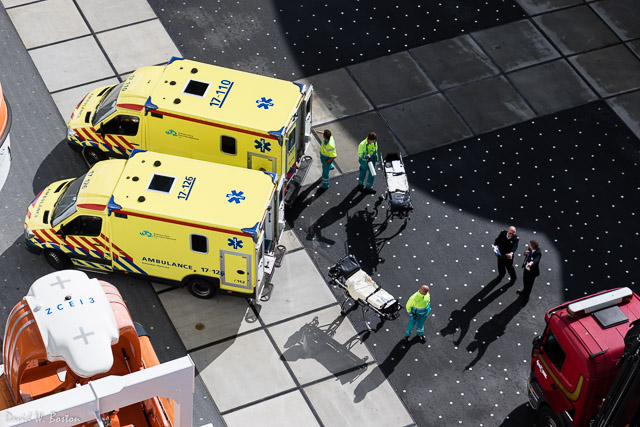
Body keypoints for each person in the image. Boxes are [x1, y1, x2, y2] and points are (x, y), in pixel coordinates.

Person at [518, 240, 541, 304]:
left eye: (529, 244)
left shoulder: (538, 252)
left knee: (529, 286)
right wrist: (525, 253)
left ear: (532, 246)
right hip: (526, 269)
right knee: (525, 281)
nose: (528, 245)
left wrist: (531, 263)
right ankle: (524, 291)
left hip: (532, 272)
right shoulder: (530, 249)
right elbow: (527, 254)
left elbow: (536, 259)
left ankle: (525, 299)